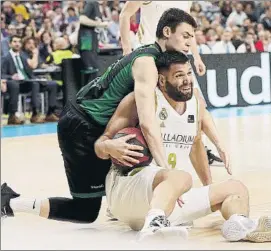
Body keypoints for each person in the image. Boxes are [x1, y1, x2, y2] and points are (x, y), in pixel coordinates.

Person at [1, 8, 198, 225]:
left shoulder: (154, 57)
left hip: (87, 120)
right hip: (82, 124)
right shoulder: (147, 63)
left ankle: (119, 207)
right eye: (186, 35)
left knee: (130, 155)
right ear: (168, 32)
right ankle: (9, 202)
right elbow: (148, 124)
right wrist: (167, 172)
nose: (190, 42)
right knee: (84, 211)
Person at [95, 51, 270, 242]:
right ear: (162, 81)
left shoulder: (195, 104)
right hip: (129, 191)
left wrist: (208, 189)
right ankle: (154, 224)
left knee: (236, 188)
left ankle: (239, 226)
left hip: (171, 197)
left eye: (189, 73)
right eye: (179, 75)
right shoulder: (142, 101)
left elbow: (196, 146)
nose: (187, 80)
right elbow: (101, 144)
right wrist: (110, 146)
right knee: (181, 177)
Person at [119, 1, 223, 165]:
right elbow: (125, 14)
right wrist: (126, 50)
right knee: (147, 109)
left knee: (197, 104)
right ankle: (146, 151)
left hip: (175, 56)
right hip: (150, 55)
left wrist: (196, 58)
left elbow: (187, 30)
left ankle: (199, 147)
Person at [1, 35, 58, 125]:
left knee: (53, 84)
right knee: (33, 84)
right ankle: (23, 115)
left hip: (27, 81)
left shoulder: (23, 56)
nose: (17, 44)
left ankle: (50, 113)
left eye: (19, 42)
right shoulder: (5, 58)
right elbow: (2, 73)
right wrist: (11, 77)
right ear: (10, 44)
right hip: (15, 83)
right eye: (15, 42)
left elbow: (32, 68)